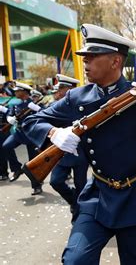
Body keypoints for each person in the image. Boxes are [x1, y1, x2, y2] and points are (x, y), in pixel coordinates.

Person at [23, 24, 136, 264]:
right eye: (85, 57)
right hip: (98, 195)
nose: (85, 62)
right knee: (75, 260)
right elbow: (31, 121)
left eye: (92, 57)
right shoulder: (77, 97)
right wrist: (53, 133)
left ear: (115, 62)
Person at [48, 74, 88, 222]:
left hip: (80, 153)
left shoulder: (83, 104)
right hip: (61, 153)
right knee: (55, 181)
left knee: (81, 186)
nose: (58, 92)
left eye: (62, 88)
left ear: (70, 90)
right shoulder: (56, 106)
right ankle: (73, 201)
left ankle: (78, 217)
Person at [2, 81, 43, 195]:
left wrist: (38, 109)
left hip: (32, 134)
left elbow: (46, 113)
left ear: (24, 92)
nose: (15, 93)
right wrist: (10, 118)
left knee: (33, 162)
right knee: (6, 146)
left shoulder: (34, 104)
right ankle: (17, 169)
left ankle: (36, 186)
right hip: (20, 132)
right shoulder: (16, 104)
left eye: (17, 91)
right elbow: (9, 113)